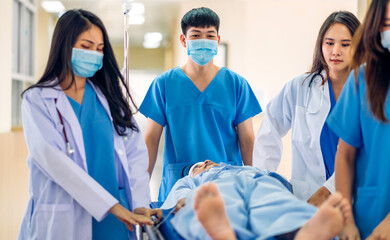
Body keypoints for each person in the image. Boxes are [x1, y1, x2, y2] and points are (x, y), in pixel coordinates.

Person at [18, 9, 161, 240]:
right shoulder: (38, 100)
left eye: (99, 49)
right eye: (86, 46)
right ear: (65, 46)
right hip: (65, 219)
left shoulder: (111, 100)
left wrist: (139, 203)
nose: (94, 54)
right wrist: (111, 205)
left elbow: (134, 155)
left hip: (117, 220)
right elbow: (51, 158)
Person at [140, 7, 262, 201]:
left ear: (218, 40)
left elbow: (247, 140)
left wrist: (255, 185)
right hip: (178, 185)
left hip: (227, 186)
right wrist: (139, 190)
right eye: (196, 35)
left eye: (210, 35)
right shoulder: (164, 84)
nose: (203, 40)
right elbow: (150, 140)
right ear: (183, 40)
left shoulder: (236, 84)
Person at [253, 11, 360, 203]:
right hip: (307, 196)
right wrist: (261, 181)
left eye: (345, 44)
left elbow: (362, 152)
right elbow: (270, 129)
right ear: (321, 45)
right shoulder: (300, 87)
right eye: (329, 43)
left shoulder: (367, 92)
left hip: (353, 197)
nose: (336, 51)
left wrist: (328, 191)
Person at [327, 0, 390, 238]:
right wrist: (346, 220)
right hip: (367, 219)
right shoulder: (361, 80)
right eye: (387, 24)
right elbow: (344, 156)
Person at [161, 160, 351, 240]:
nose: (206, 163)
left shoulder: (247, 169)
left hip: (259, 182)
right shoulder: (191, 181)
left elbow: (278, 181)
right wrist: (185, 199)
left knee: (278, 203)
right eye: (200, 166)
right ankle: (224, 232)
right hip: (218, 189)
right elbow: (178, 198)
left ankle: (304, 230)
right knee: (220, 204)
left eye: (208, 161)